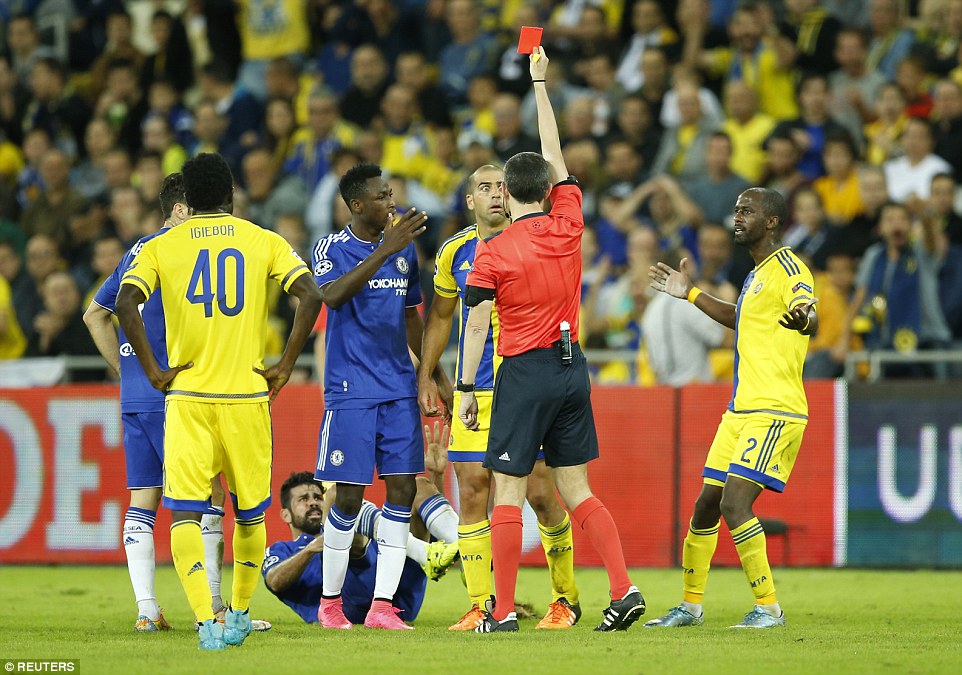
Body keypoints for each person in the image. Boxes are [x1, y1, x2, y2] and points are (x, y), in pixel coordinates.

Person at [456, 47, 645, 634]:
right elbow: (555, 154)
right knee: (576, 488)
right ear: (547, 189)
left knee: (507, 492)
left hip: (523, 371)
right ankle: (624, 590)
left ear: (506, 193)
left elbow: (478, 324)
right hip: (572, 368)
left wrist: (465, 386)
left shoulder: (492, 253)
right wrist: (541, 84)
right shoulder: (569, 223)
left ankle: (502, 613)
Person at [115, 153, 322, 650]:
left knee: (185, 513)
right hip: (247, 397)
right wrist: (285, 364)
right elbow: (311, 294)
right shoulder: (262, 239)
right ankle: (240, 613)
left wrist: (154, 371)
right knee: (249, 513)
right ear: (230, 193)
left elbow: (124, 303)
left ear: (186, 198)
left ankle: (206, 621)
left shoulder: (160, 245)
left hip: (188, 398)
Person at [84, 173, 272, 634]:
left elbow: (95, 315)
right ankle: (216, 606)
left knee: (142, 498)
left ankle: (147, 610)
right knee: (210, 495)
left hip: (137, 394)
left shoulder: (137, 251)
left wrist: (127, 370)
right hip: (179, 391)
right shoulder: (179, 250)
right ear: (182, 209)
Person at [418, 163, 582, 631]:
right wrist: (428, 375)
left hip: (524, 385)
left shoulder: (534, 238)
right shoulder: (454, 251)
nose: (494, 194)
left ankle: (565, 598)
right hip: (475, 389)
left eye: (500, 187)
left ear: (511, 195)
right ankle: (481, 603)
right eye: (484, 187)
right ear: (470, 200)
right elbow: (442, 316)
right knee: (472, 490)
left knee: (541, 492)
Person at [645, 187, 818, 629]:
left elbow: (806, 309)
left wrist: (804, 318)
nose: (737, 217)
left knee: (735, 503)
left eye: (747, 211)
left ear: (772, 221)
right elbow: (739, 318)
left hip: (775, 408)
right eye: (736, 210)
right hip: (740, 410)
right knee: (706, 504)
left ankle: (769, 609)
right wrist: (690, 293)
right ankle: (690, 607)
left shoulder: (789, 267)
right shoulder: (755, 274)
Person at [310, 162, 454, 631]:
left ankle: (382, 607)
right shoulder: (331, 247)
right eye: (382, 196)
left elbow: (412, 316)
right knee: (349, 497)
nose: (392, 203)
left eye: (391, 194)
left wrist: (433, 374)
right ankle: (330, 604)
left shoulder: (404, 250)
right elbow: (332, 296)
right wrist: (385, 249)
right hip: (350, 390)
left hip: (397, 388)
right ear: (357, 205)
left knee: (403, 490)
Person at [263, 424, 460, 625]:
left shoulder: (337, 523)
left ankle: (465, 549)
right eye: (303, 499)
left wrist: (437, 476)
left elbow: (432, 534)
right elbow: (274, 582)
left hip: (399, 588)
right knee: (337, 496)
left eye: (316, 497)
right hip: (348, 607)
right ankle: (429, 551)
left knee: (420, 485)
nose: (313, 502)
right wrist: (312, 548)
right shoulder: (282, 550)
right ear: (285, 514)